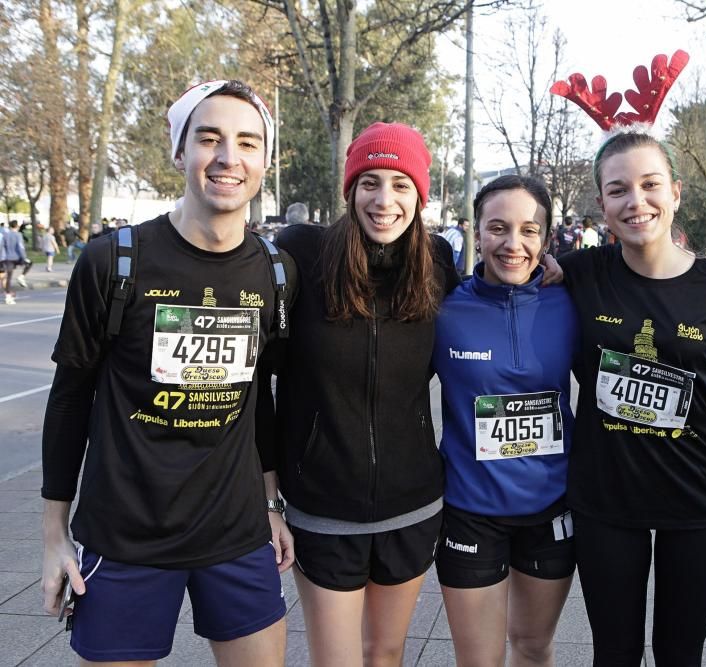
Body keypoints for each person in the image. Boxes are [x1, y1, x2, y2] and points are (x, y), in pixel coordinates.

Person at [551, 53, 706, 666]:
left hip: (698, 496)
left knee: (679, 654)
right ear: (602, 205)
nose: (635, 202)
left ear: (675, 193)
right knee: (614, 652)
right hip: (606, 498)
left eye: (649, 185)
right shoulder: (579, 274)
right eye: (618, 190)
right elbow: (510, 272)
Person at [40, 79, 294, 665]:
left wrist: (271, 503)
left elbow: (260, 398)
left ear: (263, 160)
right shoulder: (113, 261)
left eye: (247, 143)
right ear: (180, 152)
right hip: (125, 534)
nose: (229, 158)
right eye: (210, 139)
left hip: (235, 534)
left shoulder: (277, 273)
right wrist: (55, 535)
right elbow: (68, 400)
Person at [265, 122, 460, 667]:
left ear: (419, 196)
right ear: (349, 190)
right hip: (322, 508)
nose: (384, 200)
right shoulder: (303, 256)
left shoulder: (437, 264)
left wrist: (559, 272)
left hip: (413, 504)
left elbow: (498, 292)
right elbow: (261, 381)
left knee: (386, 653)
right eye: (370, 182)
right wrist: (270, 495)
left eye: (401, 186)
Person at [432, 175, 578, 666]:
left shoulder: (572, 300)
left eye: (529, 230)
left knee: (534, 647)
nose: (512, 244)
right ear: (476, 231)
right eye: (497, 228)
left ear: (547, 238)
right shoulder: (446, 309)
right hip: (470, 511)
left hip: (550, 508)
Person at [1, 220, 30, 303]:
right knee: (29, 263)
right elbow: (20, 247)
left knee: (8, 278)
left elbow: (2, 247)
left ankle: (8, 296)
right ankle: (21, 276)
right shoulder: (18, 235)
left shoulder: (5, 235)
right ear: (17, 226)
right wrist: (24, 257)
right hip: (17, 258)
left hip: (8, 258)